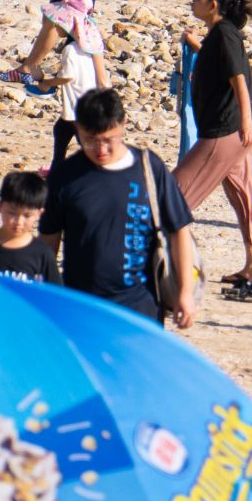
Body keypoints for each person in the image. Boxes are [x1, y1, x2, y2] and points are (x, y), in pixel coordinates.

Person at [168, 0, 252, 306]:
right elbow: (220, 65)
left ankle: (178, 274)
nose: (193, 0)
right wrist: (195, 45)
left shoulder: (225, 35)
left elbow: (238, 79)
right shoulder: (220, 35)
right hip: (238, 130)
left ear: (213, 4)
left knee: (171, 198)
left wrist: (242, 124)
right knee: (242, 198)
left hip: (227, 133)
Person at [46, 87, 194, 327]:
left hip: (141, 309)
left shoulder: (149, 168)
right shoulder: (65, 176)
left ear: (123, 124)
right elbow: (48, 243)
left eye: (108, 140)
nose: (101, 150)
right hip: (81, 307)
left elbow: (179, 230)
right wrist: (45, 295)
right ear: (77, 129)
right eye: (90, 141)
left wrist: (185, 293)